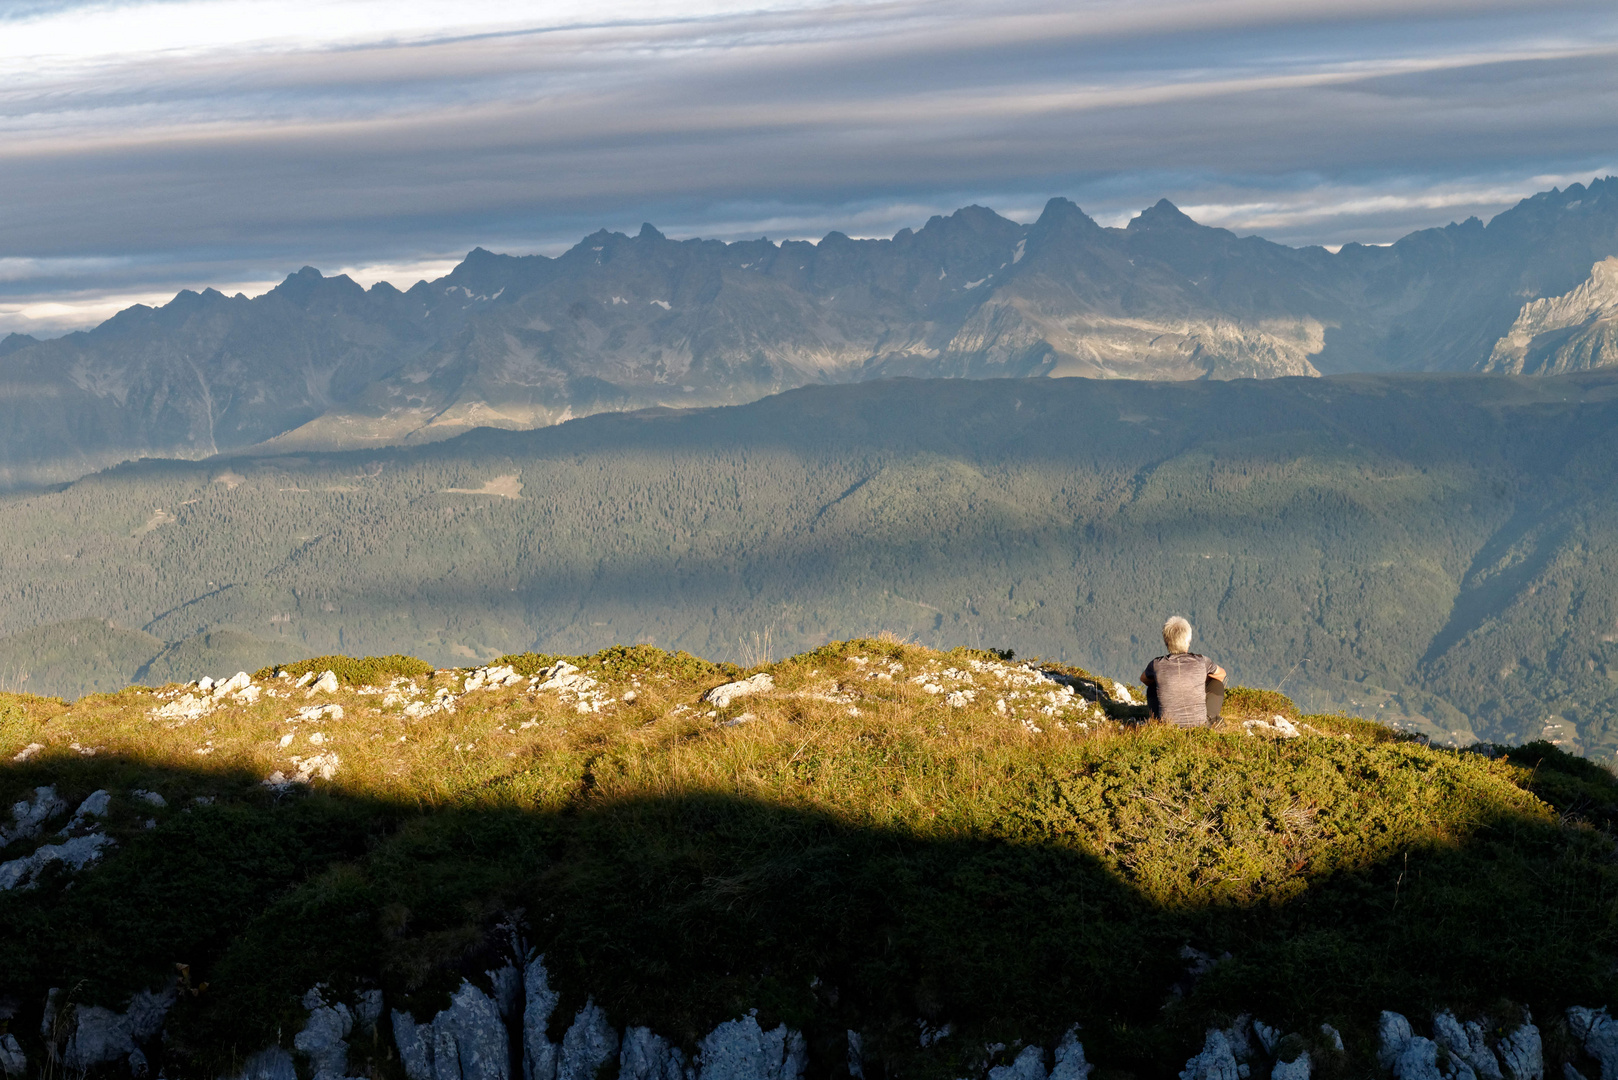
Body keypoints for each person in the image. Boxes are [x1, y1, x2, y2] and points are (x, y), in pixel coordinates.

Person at [1140, 616, 1226, 727]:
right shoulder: (1202, 661)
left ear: (1166, 641)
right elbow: (1222, 674)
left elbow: (1144, 679)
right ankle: (1210, 719)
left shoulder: (1157, 664)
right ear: (1188, 640)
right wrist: (1199, 681)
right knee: (1216, 684)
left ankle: (1157, 719)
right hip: (1199, 726)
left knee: (1152, 686)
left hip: (1167, 726)